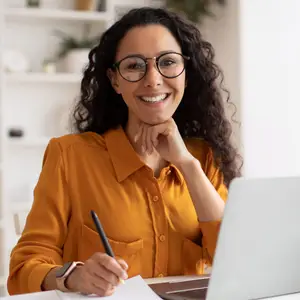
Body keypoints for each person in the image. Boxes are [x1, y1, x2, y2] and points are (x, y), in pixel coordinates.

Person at [7, 6, 241, 297]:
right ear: (115, 79)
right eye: (134, 65)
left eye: (167, 62)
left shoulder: (202, 158)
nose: (153, 79)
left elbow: (239, 262)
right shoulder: (69, 156)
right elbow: (23, 270)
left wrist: (187, 164)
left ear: (186, 73)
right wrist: (74, 275)